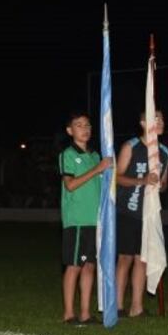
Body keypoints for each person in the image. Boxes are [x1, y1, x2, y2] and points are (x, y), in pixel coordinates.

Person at [115, 110, 168, 317]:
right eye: (156, 118)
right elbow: (117, 177)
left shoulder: (165, 152)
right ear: (142, 122)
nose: (161, 122)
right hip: (128, 211)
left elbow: (164, 185)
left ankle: (136, 307)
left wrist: (159, 184)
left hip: (149, 214)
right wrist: (141, 181)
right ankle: (118, 305)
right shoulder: (131, 146)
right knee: (125, 258)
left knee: (143, 259)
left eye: (162, 118)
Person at [58, 112, 112, 324]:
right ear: (70, 131)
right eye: (79, 125)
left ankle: (85, 312)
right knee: (74, 266)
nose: (85, 128)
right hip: (77, 220)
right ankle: (69, 313)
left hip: (95, 220)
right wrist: (97, 169)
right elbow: (70, 185)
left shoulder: (96, 155)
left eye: (88, 124)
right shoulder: (68, 154)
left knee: (89, 266)